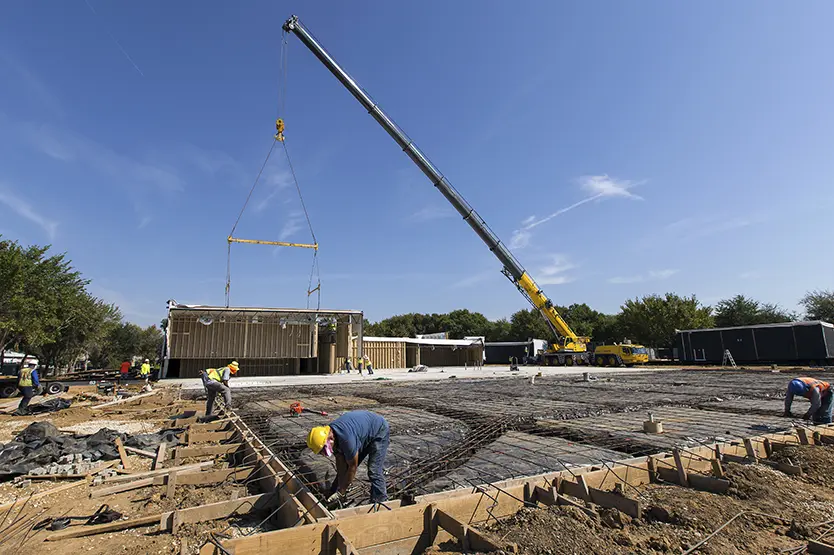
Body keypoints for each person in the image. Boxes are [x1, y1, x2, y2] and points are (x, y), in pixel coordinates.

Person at [307, 410, 389, 506]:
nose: (324, 454)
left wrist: (342, 491)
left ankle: (381, 501)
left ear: (330, 439)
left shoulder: (346, 440)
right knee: (345, 467)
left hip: (379, 430)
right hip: (363, 431)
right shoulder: (333, 436)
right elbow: (340, 463)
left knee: (374, 470)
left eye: (323, 451)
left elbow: (352, 467)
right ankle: (335, 492)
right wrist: (335, 490)